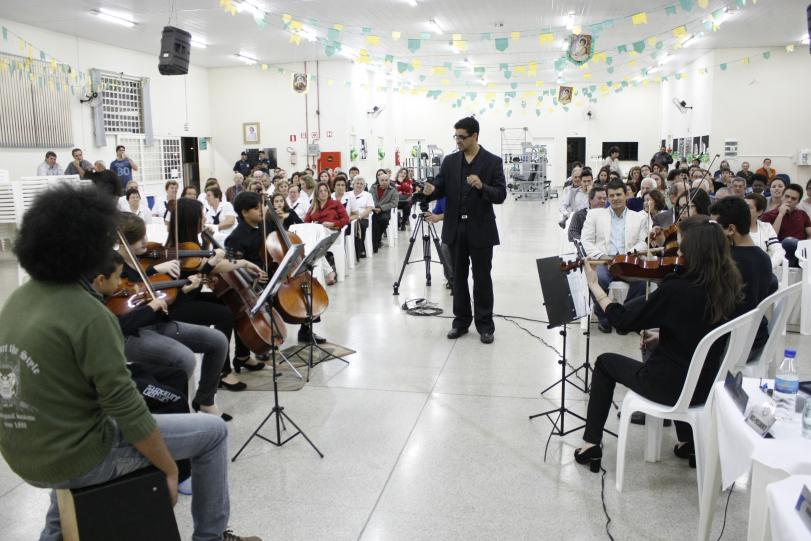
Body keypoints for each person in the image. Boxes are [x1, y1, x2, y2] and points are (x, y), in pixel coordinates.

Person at [0, 184, 261, 541]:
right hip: (75, 455)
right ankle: (210, 538)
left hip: (24, 452)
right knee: (213, 434)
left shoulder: (17, 300)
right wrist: (169, 468)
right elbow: (125, 405)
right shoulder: (87, 313)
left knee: (69, 451)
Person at [574, 216, 744, 473]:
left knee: (605, 363)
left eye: (682, 247)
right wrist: (663, 336)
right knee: (674, 361)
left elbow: (623, 322)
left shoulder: (676, 289)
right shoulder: (728, 284)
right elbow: (700, 329)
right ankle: (688, 442)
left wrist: (595, 287)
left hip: (669, 389)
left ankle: (590, 445)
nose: (678, 252)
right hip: (706, 387)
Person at [423, 116, 507, 344]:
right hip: (455, 228)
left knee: (482, 279)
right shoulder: (450, 161)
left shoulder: (492, 162)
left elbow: (500, 195)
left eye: (462, 137)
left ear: (474, 136)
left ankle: (485, 325)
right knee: (458, 279)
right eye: (456, 136)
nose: (458, 140)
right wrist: (431, 190)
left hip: (481, 229)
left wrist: (482, 186)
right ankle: (460, 322)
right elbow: (440, 187)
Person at [230, 191, 324, 344]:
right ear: (244, 212)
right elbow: (233, 266)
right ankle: (260, 342)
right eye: (257, 208)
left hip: (273, 274)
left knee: (306, 288)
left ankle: (306, 331)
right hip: (257, 281)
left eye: (261, 207)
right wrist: (252, 272)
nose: (262, 211)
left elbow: (279, 239)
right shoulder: (236, 237)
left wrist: (278, 219)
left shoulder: (262, 226)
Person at [580, 179, 648, 333]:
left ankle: (626, 317)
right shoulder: (594, 215)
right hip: (604, 261)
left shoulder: (639, 217)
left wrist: (628, 255)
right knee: (599, 279)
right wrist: (601, 255)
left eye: (618, 194)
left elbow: (644, 242)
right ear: (607, 198)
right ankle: (605, 318)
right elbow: (586, 241)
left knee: (641, 281)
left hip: (628, 260)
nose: (615, 198)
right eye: (611, 195)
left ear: (626, 195)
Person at [710, 196, 775, 359]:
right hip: (757, 338)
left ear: (731, 229)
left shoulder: (728, 261)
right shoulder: (763, 257)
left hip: (734, 345)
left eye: (716, 228)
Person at [305, 182, 350, 285]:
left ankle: (328, 272)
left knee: (314, 244)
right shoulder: (313, 206)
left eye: (325, 190)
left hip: (333, 233)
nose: (323, 193)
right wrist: (314, 225)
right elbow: (306, 222)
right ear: (316, 194)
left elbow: (346, 219)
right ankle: (329, 272)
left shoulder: (335, 203)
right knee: (314, 245)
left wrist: (332, 224)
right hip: (319, 236)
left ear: (329, 192)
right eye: (320, 191)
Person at [760, 183, 811, 266]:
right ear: (782, 197)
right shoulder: (769, 215)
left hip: (801, 252)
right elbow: (770, 238)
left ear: (798, 202)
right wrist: (780, 215)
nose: (789, 200)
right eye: (787, 196)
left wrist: (806, 245)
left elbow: (810, 234)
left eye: (793, 199)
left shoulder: (802, 214)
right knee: (789, 242)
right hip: (779, 251)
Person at [745, 193, 785, 271]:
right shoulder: (734, 227)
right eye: (743, 206)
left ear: (759, 212)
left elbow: (779, 250)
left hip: (763, 269)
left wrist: (768, 267)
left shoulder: (766, 227)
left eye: (748, 207)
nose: (743, 209)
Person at [370, 169, 399, 253]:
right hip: (373, 210)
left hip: (385, 211)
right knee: (373, 221)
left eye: (386, 180)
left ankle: (377, 240)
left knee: (383, 220)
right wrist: (375, 208)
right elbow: (371, 198)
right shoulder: (373, 188)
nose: (384, 182)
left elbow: (394, 203)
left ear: (389, 181)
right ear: (378, 181)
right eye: (382, 180)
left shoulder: (393, 190)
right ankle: (375, 242)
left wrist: (381, 208)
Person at [350, 176, 374, 258]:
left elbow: (369, 208)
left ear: (364, 186)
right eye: (357, 183)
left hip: (362, 217)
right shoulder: (348, 194)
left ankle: (359, 249)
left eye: (361, 184)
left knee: (360, 225)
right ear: (353, 184)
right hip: (350, 217)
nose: (359, 185)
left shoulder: (368, 195)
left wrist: (359, 216)